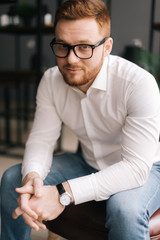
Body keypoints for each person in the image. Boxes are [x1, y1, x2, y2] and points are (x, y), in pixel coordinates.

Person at [1, 0, 160, 239]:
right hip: (88, 162)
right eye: (62, 46)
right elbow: (42, 140)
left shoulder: (138, 84)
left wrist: (63, 193)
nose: (71, 59)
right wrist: (32, 176)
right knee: (14, 178)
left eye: (84, 47)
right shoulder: (51, 80)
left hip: (146, 167)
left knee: (124, 210)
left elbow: (136, 168)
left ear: (107, 47)